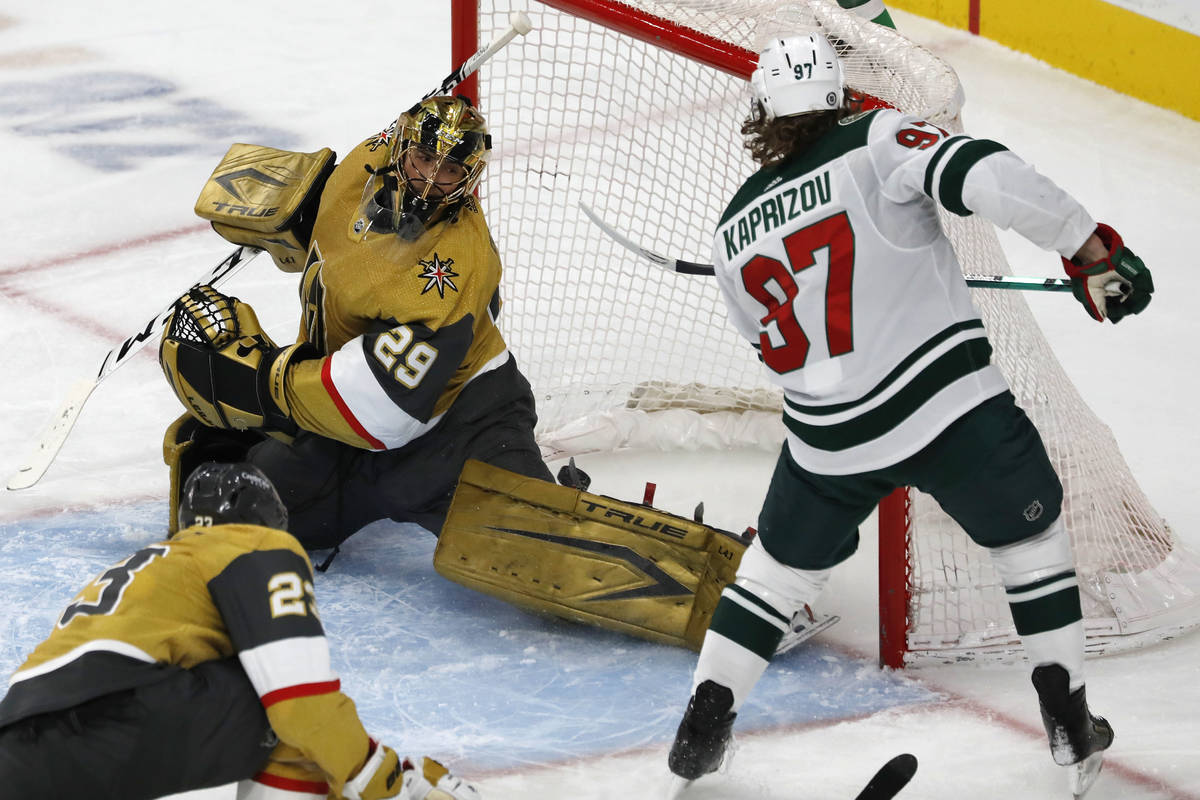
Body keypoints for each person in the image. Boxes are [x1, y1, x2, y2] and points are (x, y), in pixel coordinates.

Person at [666, 32, 1152, 799]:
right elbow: (983, 171)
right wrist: (1088, 248)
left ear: (762, 114)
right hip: (948, 410)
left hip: (826, 440)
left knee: (774, 574)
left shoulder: (733, 228)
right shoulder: (877, 137)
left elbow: (773, 351)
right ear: (839, 96)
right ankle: (1067, 719)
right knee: (1031, 541)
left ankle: (704, 722)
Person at [158, 94, 556, 556]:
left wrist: (264, 382)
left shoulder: (455, 270)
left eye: (449, 169)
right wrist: (286, 225)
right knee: (226, 517)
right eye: (424, 157)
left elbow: (384, 409)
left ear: (469, 177)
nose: (430, 179)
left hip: (461, 425)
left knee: (536, 546)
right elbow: (336, 231)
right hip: (340, 437)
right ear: (401, 147)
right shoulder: (363, 164)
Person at [0, 462, 481, 800]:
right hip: (107, 725)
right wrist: (381, 777)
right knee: (279, 704)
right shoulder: (254, 544)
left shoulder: (155, 568)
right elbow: (299, 701)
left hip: (20, 754)